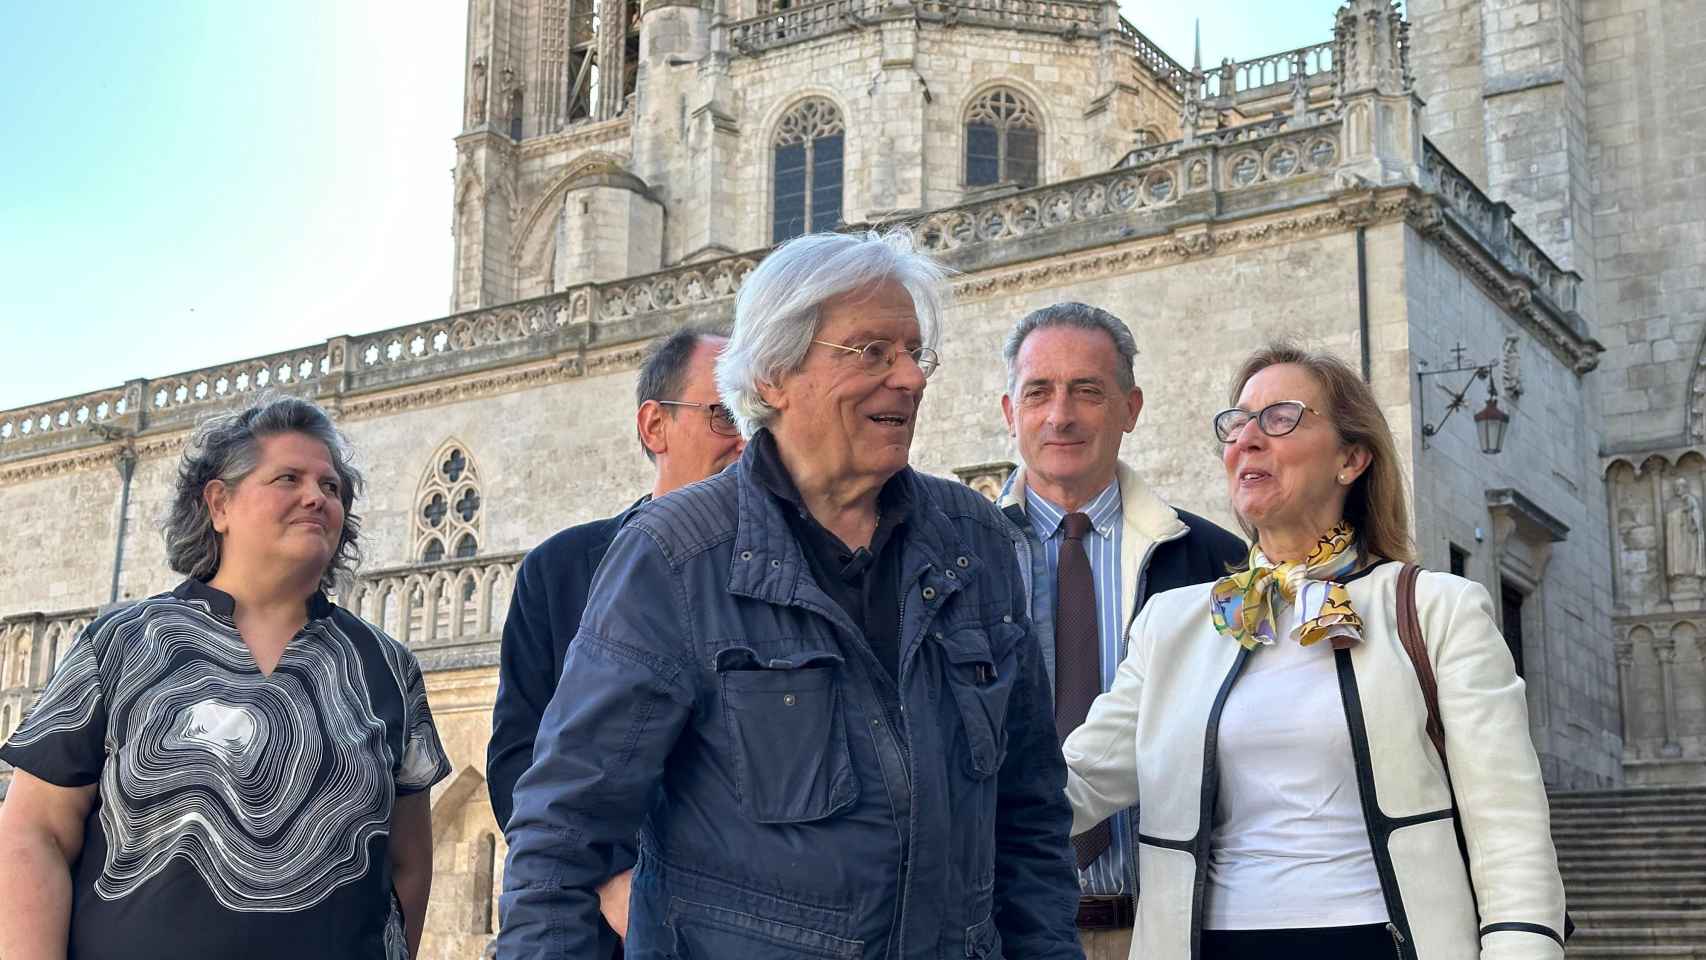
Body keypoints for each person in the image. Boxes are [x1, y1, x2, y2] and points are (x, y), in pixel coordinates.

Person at [498, 230, 1083, 960]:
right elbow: (563, 829)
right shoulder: (676, 557)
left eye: (913, 352)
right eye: (870, 351)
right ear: (774, 374)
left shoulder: (975, 541)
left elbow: (1028, 814)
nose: (909, 377)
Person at [1061, 344, 1568, 959]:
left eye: (1280, 418)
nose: (1247, 438)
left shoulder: (1438, 610)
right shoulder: (1174, 624)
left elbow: (1508, 822)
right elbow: (1078, 780)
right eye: (1237, 422)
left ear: (1351, 458)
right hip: (1209, 944)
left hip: (1381, 942)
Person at [0, 396, 451, 960]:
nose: (316, 496)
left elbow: (408, 864)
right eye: (288, 478)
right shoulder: (123, 642)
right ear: (219, 504)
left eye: (331, 487)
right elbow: (33, 833)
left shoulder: (387, 667)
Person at [996, 302, 1245, 959]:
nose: (1061, 415)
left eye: (1088, 390)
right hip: (1002, 930)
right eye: (1039, 392)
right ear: (1008, 411)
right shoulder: (955, 563)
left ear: (1131, 408)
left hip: (1169, 930)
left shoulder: (1215, 564)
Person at [485, 327, 744, 955]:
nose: (747, 440)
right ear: (655, 428)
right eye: (724, 416)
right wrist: (611, 879)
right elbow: (521, 755)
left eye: (759, 418)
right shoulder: (562, 569)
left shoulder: (800, 572)